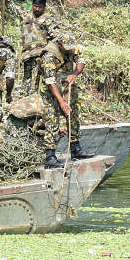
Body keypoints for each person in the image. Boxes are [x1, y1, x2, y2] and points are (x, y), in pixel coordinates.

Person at [40, 33, 94, 167]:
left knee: (73, 114)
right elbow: (50, 82)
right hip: (51, 89)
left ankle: (76, 149)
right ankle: (50, 156)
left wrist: (74, 74)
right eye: (67, 48)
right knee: (52, 118)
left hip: (67, 85)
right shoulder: (49, 56)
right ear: (59, 45)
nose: (70, 50)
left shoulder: (71, 47)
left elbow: (81, 61)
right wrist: (61, 101)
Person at [19, 0, 58, 97]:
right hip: (27, 56)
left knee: (37, 84)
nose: (36, 9)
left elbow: (56, 37)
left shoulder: (48, 20)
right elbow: (12, 7)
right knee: (25, 83)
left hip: (39, 58)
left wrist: (47, 51)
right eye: (35, 6)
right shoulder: (26, 16)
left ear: (44, 7)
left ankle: (35, 103)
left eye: (39, 7)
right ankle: (24, 102)